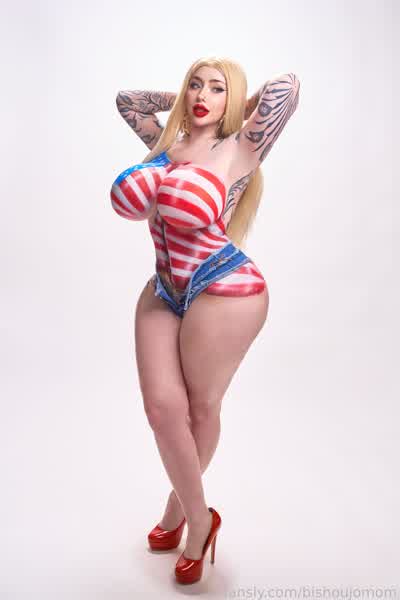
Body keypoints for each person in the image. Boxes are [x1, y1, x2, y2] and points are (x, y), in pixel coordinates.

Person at [112, 56, 300, 584]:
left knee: (200, 407)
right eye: (196, 84)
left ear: (232, 99)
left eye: (216, 88)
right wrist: (185, 100)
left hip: (223, 286)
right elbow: (127, 100)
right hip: (164, 287)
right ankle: (198, 513)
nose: (202, 94)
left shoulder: (241, 147)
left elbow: (288, 87)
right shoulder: (163, 145)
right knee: (161, 408)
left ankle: (189, 519)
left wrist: (235, 106)